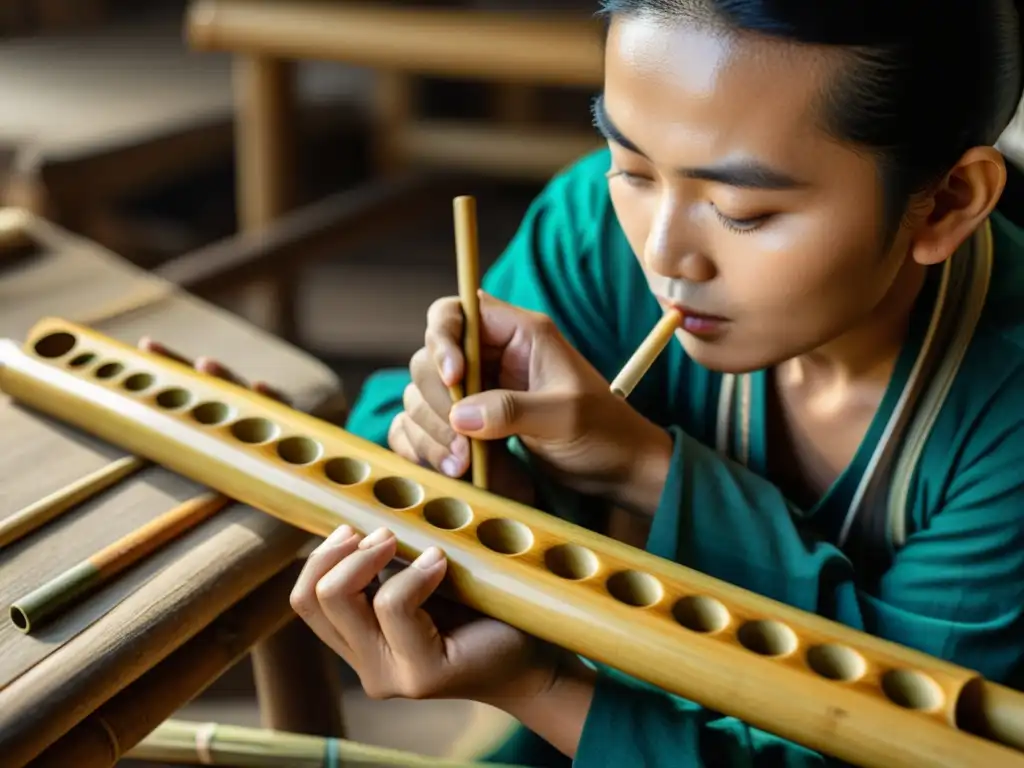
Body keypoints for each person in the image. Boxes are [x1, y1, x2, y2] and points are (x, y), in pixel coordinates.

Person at [157, 1, 1024, 764]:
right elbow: (404, 433)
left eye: (743, 212)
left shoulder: (1007, 401)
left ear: (946, 201)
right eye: (631, 163)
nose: (663, 254)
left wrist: (546, 667)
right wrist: (441, 443)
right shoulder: (596, 225)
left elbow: (908, 736)